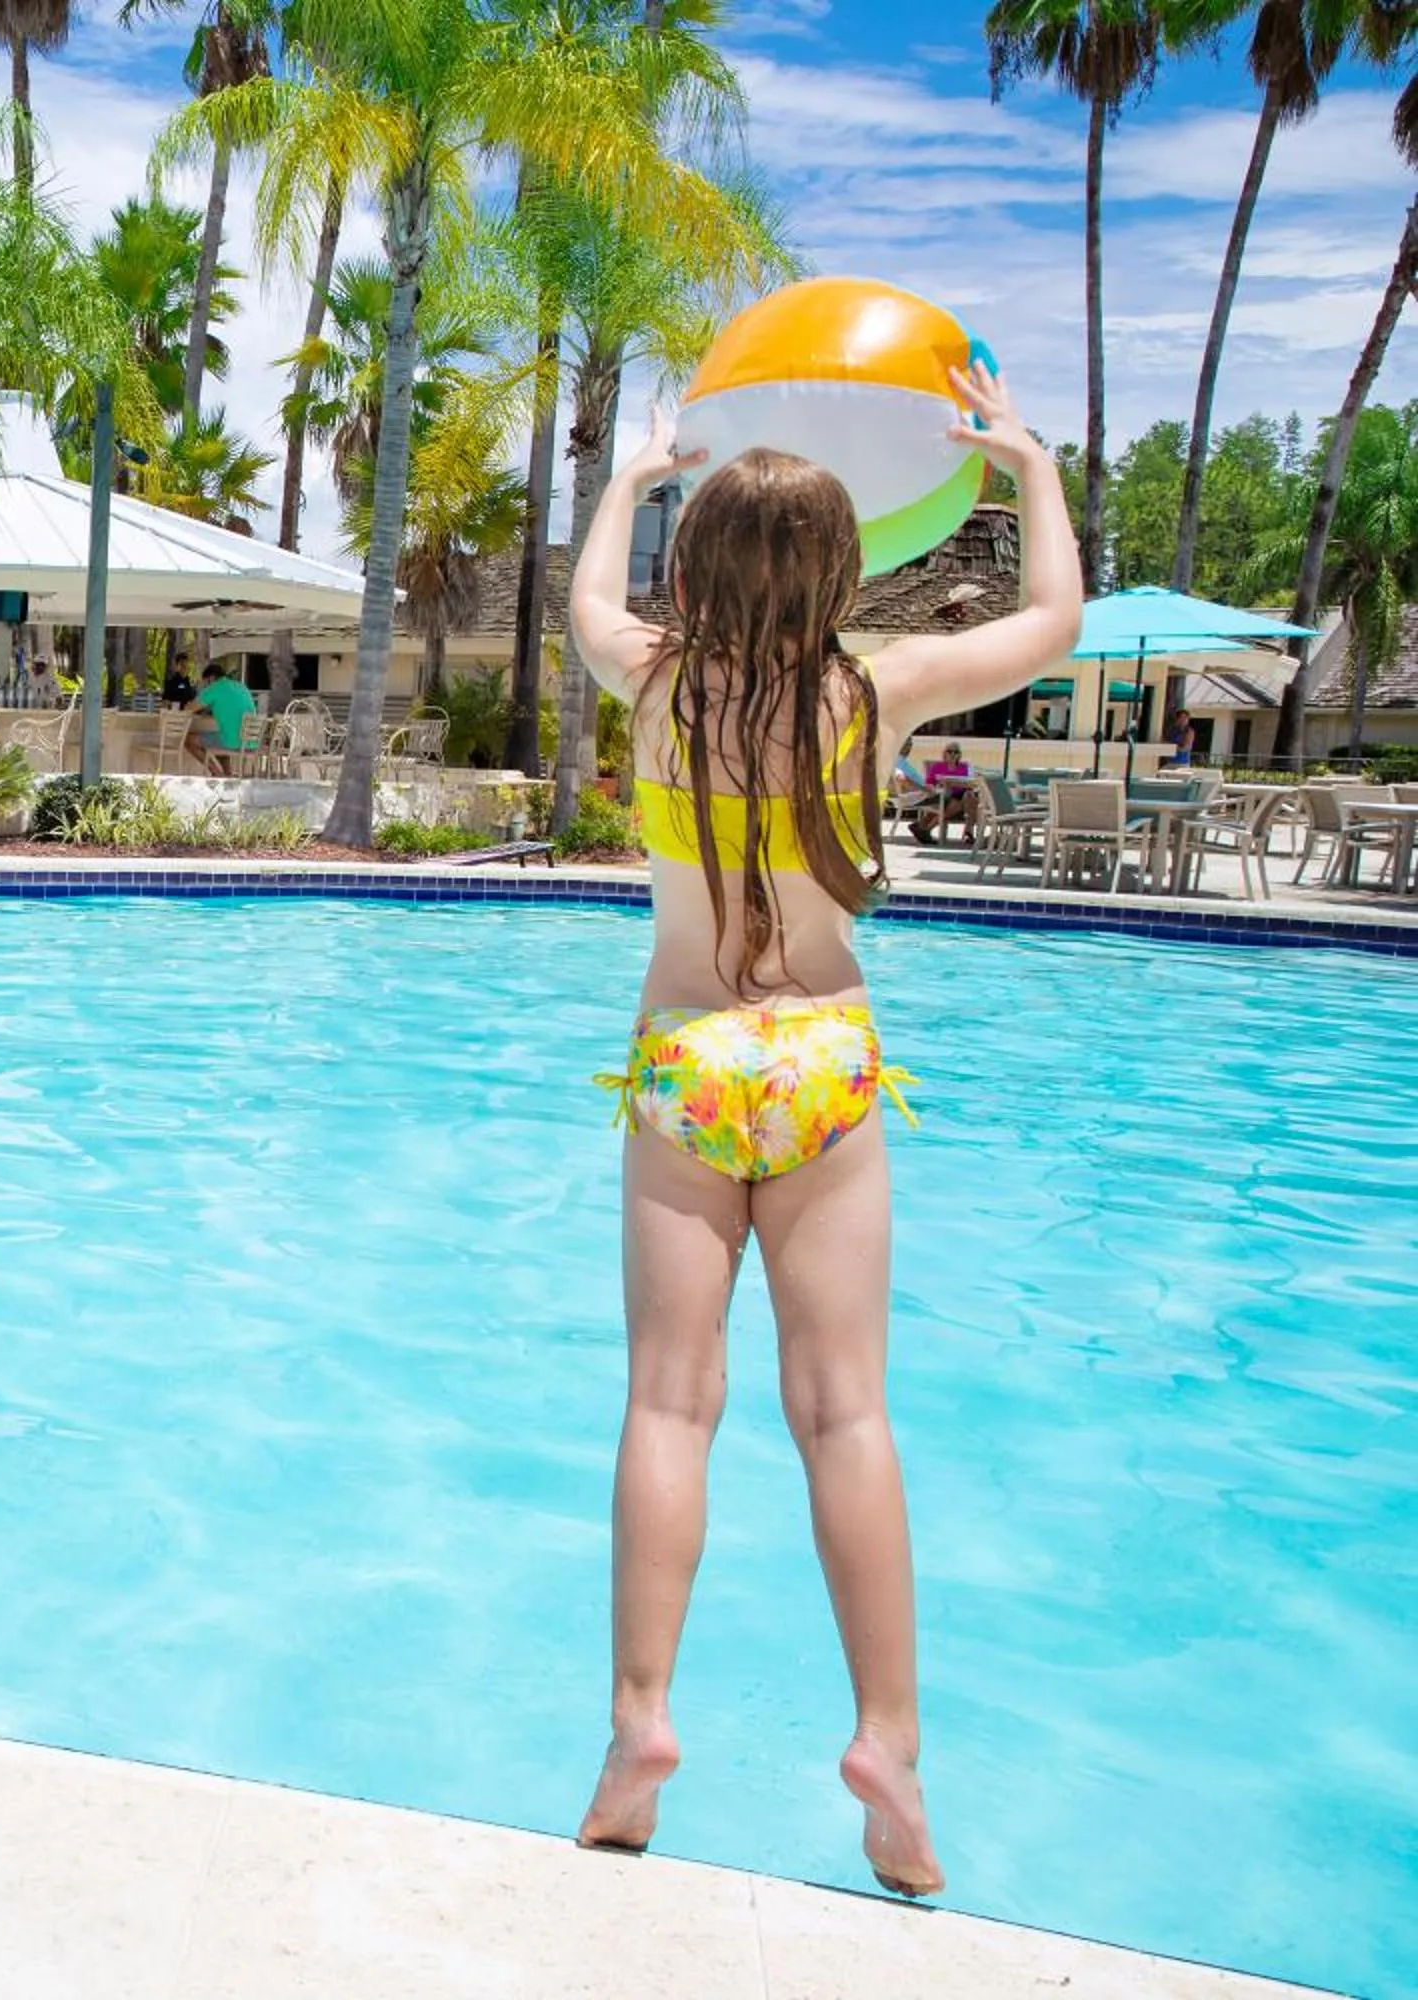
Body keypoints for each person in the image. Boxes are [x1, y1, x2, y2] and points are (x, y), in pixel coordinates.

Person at [565, 364, 1081, 1901]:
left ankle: (640, 1730)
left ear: (694, 568)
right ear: (846, 574)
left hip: (686, 1058)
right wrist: (1031, 473)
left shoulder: (651, 679)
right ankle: (887, 1751)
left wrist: (631, 482)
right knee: (845, 1415)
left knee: (671, 1408)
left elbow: (589, 590)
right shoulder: (870, 690)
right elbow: (1051, 621)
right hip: (824, 1058)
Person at [186, 662, 254, 771]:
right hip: (251, 741)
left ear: (211, 678)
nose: (206, 687)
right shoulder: (241, 687)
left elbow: (189, 709)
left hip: (232, 741)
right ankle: (227, 772)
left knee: (189, 740)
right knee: (219, 735)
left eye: (206, 683)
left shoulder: (215, 688)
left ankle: (216, 772)